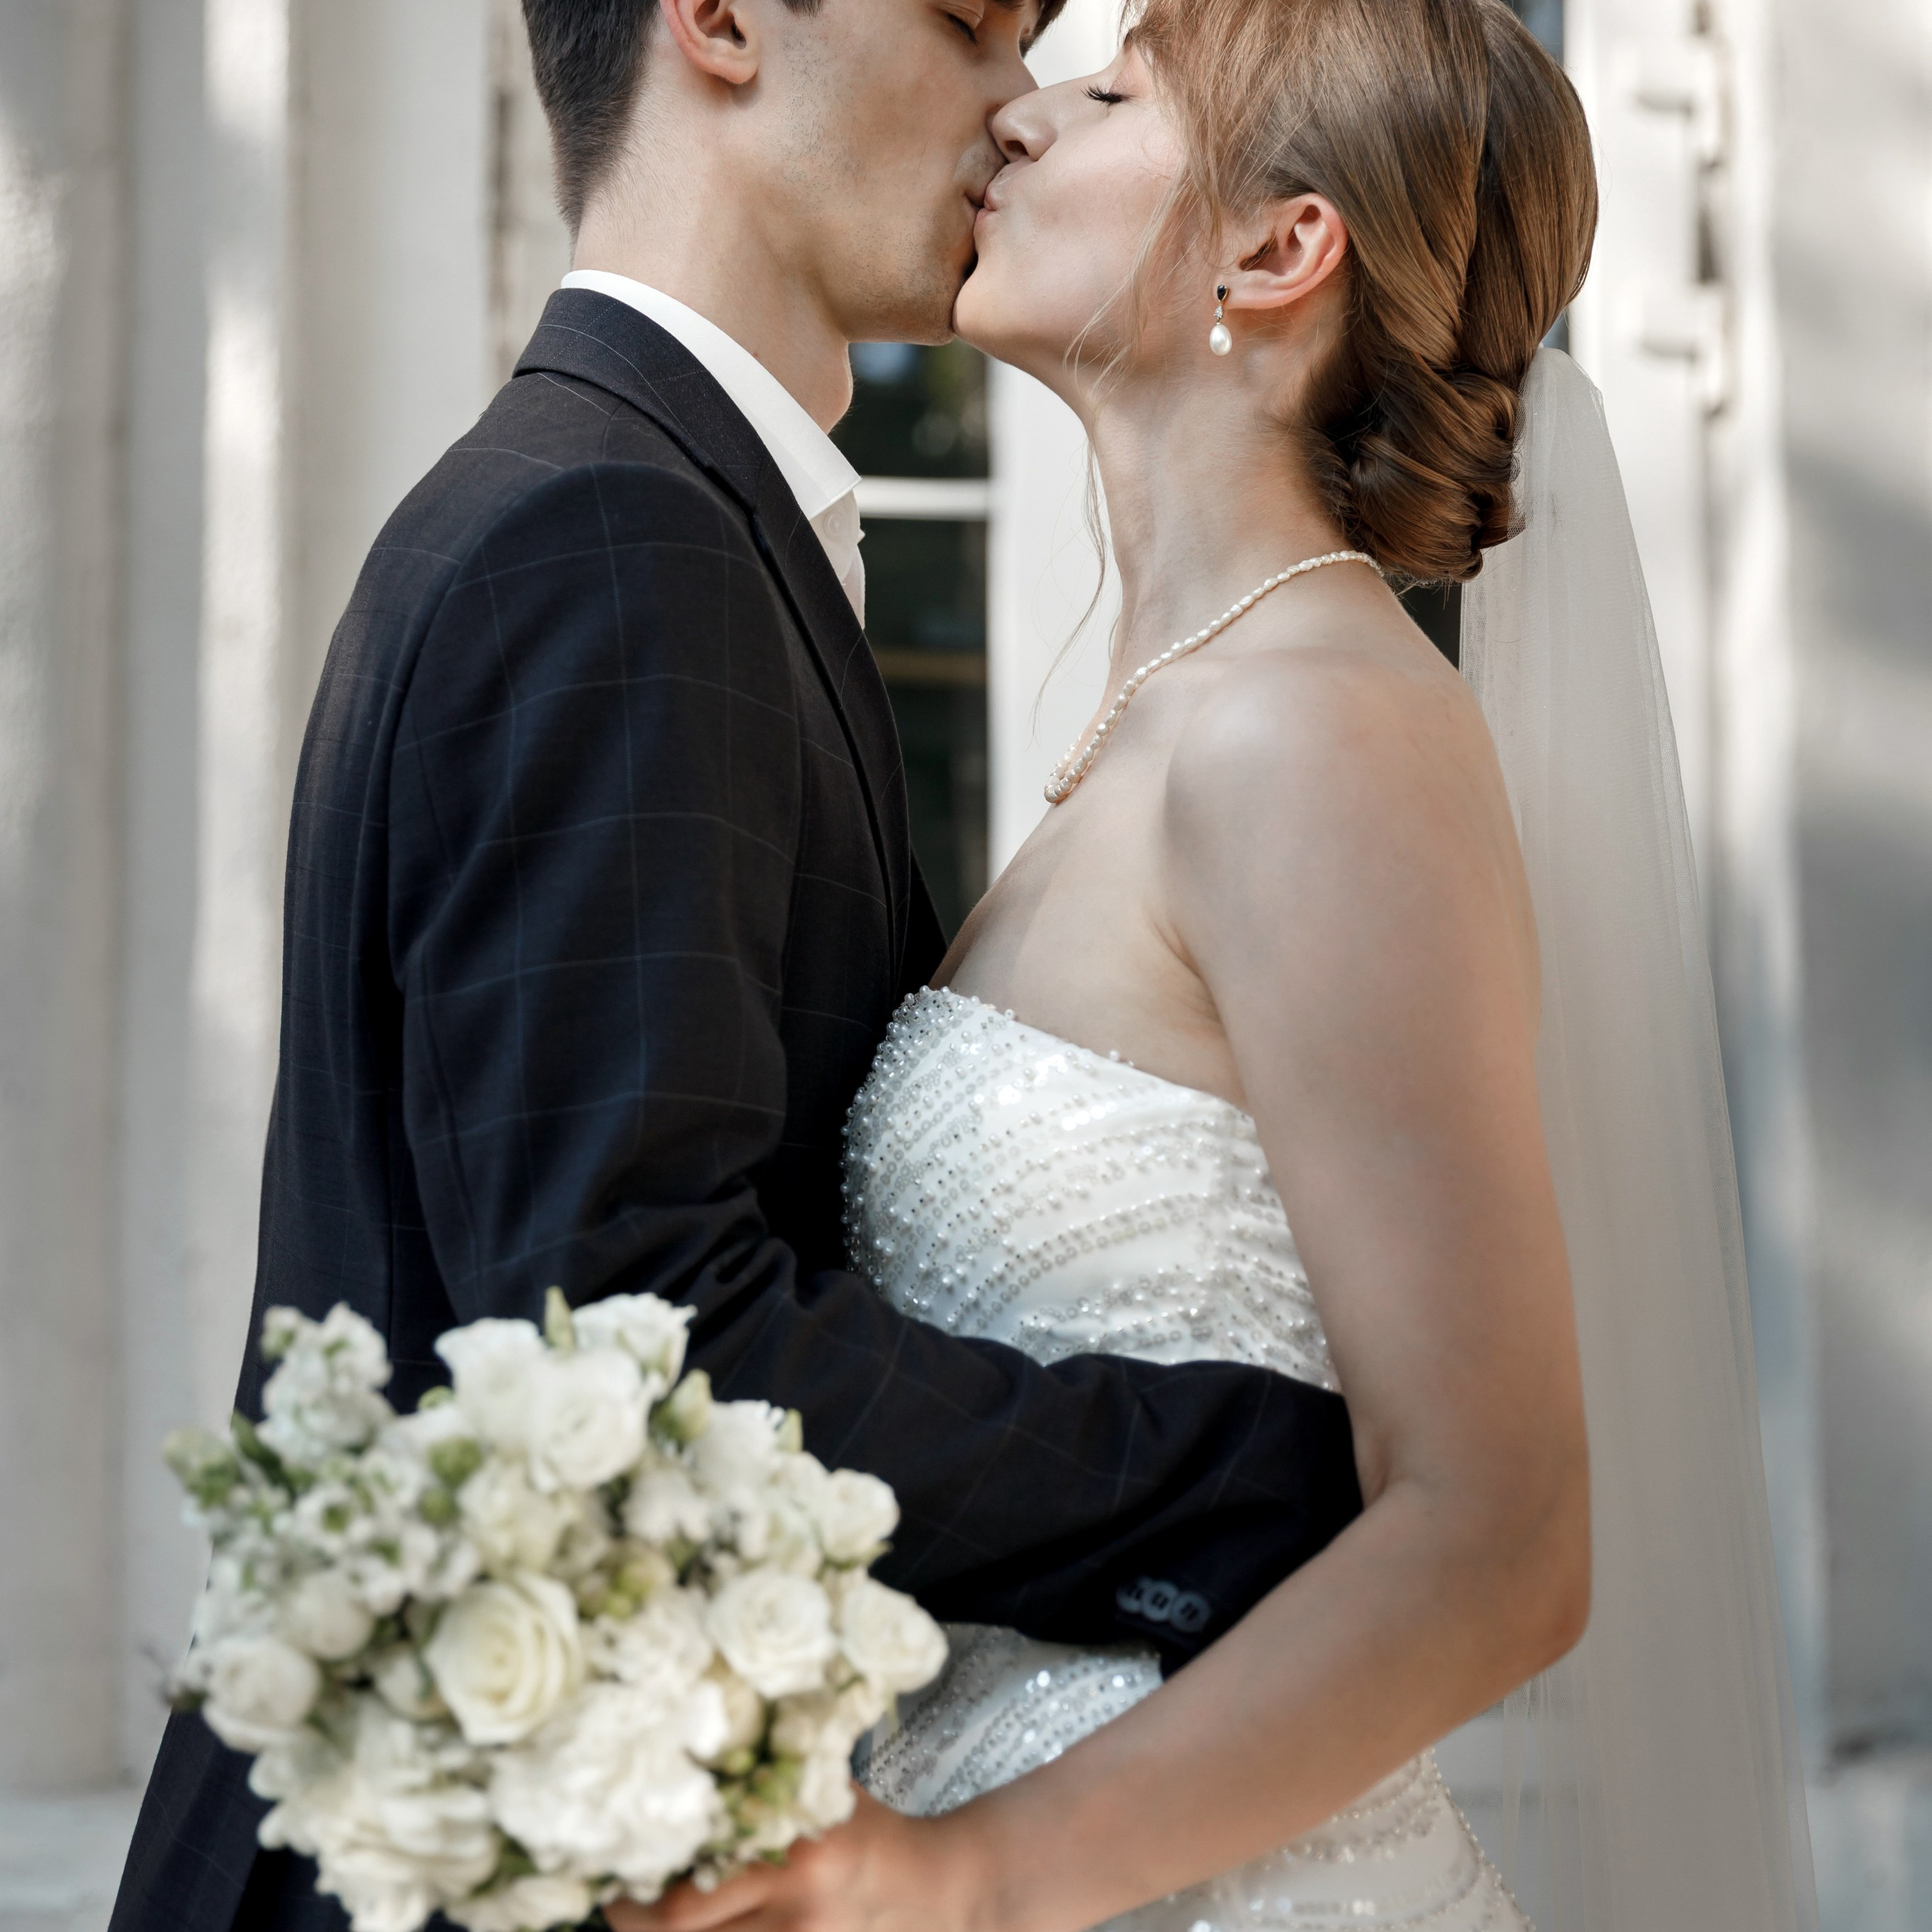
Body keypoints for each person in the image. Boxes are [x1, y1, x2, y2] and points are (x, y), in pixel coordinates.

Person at [108, 3, 1376, 1928]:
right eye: (967, 21)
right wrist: (1270, 1468)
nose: (1015, 98)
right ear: (712, 21)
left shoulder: (640, 507)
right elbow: (649, 1332)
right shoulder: (614, 540)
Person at [611, 1, 1817, 1929]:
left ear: (1277, 250)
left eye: (1101, 94)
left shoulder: (1312, 731)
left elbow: (1500, 1535)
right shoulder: (1160, 727)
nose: (1012, 114)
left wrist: (974, 1870)